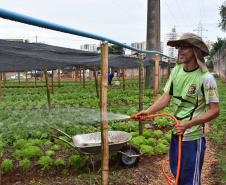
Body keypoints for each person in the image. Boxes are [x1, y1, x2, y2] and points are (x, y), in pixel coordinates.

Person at [136, 33, 220, 185]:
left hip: (192, 138)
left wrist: (188, 124)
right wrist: (148, 112)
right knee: (178, 175)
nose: (179, 50)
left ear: (195, 50)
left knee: (190, 181)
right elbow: (165, 98)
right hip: (176, 135)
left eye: (184, 47)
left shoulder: (206, 78)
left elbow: (215, 110)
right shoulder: (176, 72)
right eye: (178, 47)